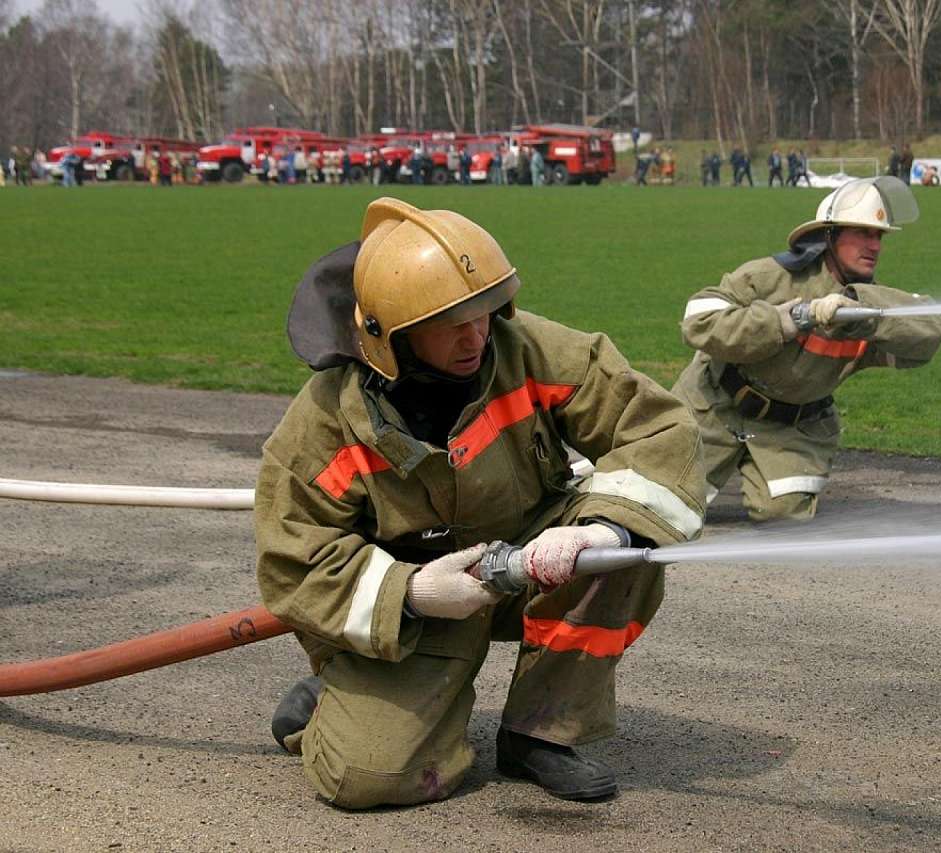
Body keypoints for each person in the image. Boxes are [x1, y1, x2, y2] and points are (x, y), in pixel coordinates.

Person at [257, 197, 704, 808]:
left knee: (624, 554)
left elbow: (657, 432)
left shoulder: (532, 352)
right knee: (368, 780)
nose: (475, 336)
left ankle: (540, 732)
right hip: (411, 612)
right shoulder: (324, 424)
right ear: (391, 334)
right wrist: (413, 594)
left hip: (531, 560)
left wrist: (599, 533)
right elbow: (296, 560)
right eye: (449, 323)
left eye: (484, 312)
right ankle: (329, 702)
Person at [671, 177, 941, 522]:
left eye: (878, 235)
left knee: (782, 517)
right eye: (861, 233)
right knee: (661, 506)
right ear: (829, 236)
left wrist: (860, 309)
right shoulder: (770, 276)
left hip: (792, 429)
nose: (874, 245)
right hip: (713, 406)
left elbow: (931, 330)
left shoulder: (864, 312)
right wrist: (783, 322)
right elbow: (698, 320)